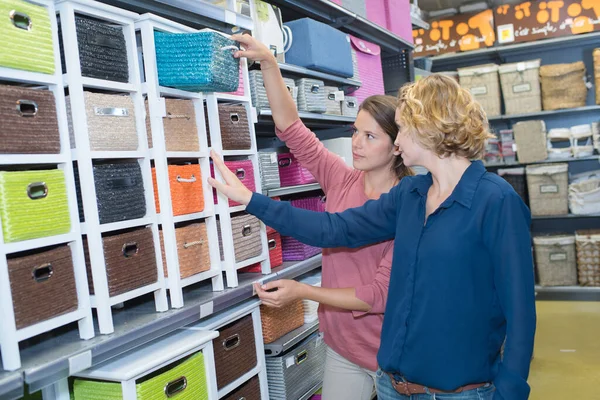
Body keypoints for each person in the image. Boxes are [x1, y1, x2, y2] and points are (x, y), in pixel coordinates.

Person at [208, 73, 537, 400]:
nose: (397, 142)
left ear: (428, 127)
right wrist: (252, 200)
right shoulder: (411, 194)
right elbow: (335, 228)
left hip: (459, 392)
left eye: (403, 129)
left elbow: (520, 310)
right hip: (394, 385)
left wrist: (509, 392)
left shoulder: (496, 201)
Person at [229, 34, 412, 400]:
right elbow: (294, 131)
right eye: (355, 132)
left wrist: (303, 292)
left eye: (370, 136)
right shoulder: (343, 179)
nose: (356, 143)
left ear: (397, 146)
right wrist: (268, 63)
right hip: (343, 347)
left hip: (396, 355)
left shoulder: (407, 204)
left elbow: (377, 295)